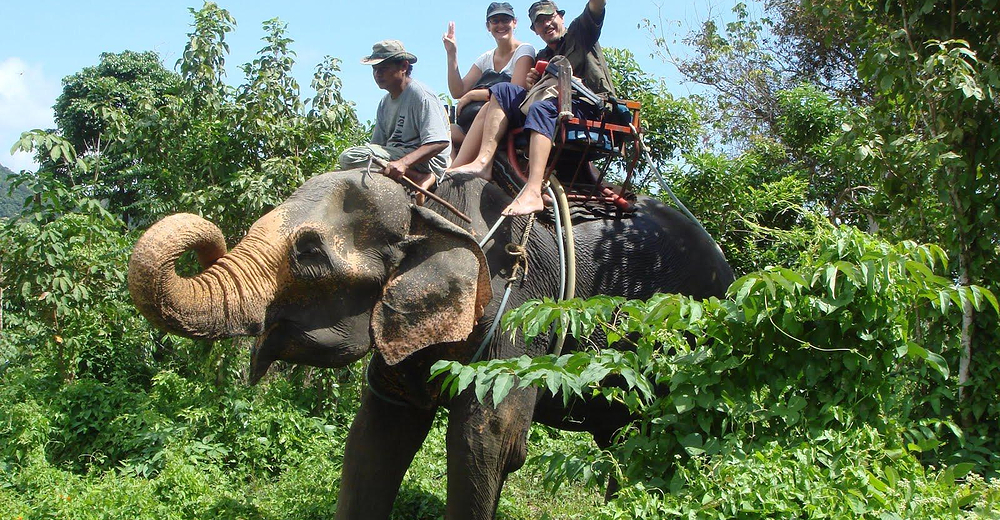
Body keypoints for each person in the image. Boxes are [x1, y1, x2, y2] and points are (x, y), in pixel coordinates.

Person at [447, 0, 615, 216]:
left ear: (561, 17)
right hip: (550, 106)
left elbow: (596, 6)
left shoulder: (580, 33)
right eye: (540, 22)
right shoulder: (541, 57)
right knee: (503, 90)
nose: (546, 24)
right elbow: (530, 92)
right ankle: (483, 162)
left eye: (550, 17)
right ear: (534, 30)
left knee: (540, 109)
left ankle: (533, 191)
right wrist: (531, 82)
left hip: (585, 107)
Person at [339, 40, 451, 193]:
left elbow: (439, 142)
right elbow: (377, 146)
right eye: (375, 69)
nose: (378, 74)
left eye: (383, 68)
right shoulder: (384, 103)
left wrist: (403, 163)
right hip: (394, 155)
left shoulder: (421, 95)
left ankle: (418, 177)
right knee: (358, 159)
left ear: (404, 67)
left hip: (425, 161)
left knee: (349, 156)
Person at [443, 2, 535, 159]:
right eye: (495, 21)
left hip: (503, 121)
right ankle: (450, 169)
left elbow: (513, 91)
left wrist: (472, 95)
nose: (501, 25)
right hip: (470, 124)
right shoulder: (486, 58)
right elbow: (458, 91)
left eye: (505, 20)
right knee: (443, 132)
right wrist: (452, 53)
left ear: (514, 22)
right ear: (488, 26)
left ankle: (473, 158)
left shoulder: (524, 50)